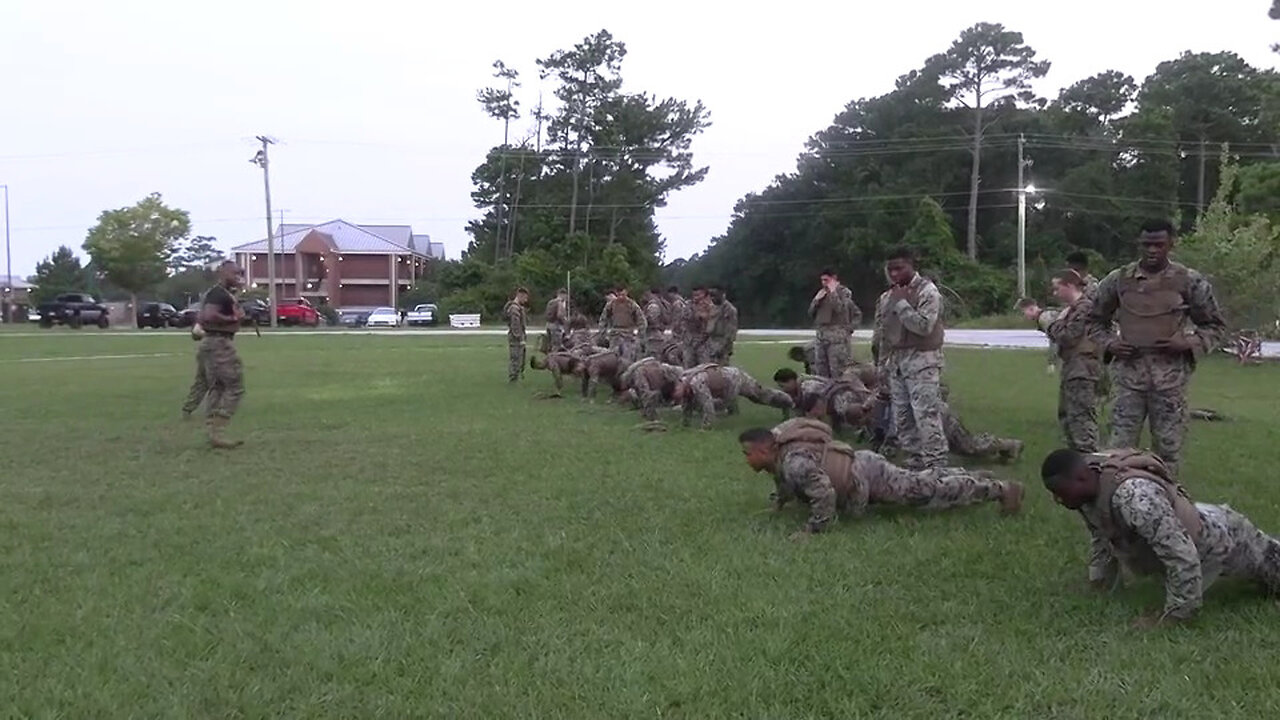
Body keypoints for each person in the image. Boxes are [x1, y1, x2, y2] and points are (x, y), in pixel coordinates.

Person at [1040, 448, 1280, 628]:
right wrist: (1100, 583)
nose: (1057, 500)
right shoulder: (1089, 487)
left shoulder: (1134, 499)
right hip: (1190, 524)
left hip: (1222, 538)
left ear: (1081, 478)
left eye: (1060, 492)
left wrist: (1174, 616)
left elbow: (1182, 554)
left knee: (1272, 569)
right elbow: (1103, 536)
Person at [1087, 219, 1227, 479]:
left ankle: (1167, 501)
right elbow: (1094, 320)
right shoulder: (1119, 280)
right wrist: (1111, 344)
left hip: (1170, 382)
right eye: (1147, 244)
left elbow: (1214, 325)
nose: (1152, 250)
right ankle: (1117, 499)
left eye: (1159, 245)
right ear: (1139, 244)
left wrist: (1187, 343)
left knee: (1168, 452)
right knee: (1117, 450)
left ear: (1171, 244)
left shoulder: (1189, 281)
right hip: (1128, 380)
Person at [739, 419, 1024, 541]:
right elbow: (784, 482)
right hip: (862, 465)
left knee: (924, 490)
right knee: (920, 481)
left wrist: (813, 531)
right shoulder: (781, 456)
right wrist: (778, 504)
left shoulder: (794, 463)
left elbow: (823, 493)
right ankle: (970, 477)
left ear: (765, 450)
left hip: (867, 475)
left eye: (747, 454)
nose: (746, 460)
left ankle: (1000, 489)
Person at [872, 247, 947, 470]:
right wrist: (881, 365)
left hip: (922, 362)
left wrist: (902, 304)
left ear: (911, 265)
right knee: (903, 418)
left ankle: (937, 465)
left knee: (926, 415)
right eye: (890, 269)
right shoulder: (887, 296)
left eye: (899, 268)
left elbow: (924, 326)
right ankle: (915, 462)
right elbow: (883, 333)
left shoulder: (927, 291)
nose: (894, 274)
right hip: (896, 363)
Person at [1021, 269, 1102, 452]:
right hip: (1072, 367)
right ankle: (1077, 462)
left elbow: (1068, 336)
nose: (1055, 293)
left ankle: (1091, 464)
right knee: (1068, 418)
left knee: (1081, 420)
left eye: (1057, 288)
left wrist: (1051, 323)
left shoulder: (1084, 308)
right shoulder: (1071, 310)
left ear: (1069, 286)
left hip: (1083, 370)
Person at [195, 261, 248, 448]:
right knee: (235, 385)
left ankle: (214, 433)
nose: (238, 277)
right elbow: (209, 316)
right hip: (219, 343)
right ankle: (218, 429)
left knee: (217, 387)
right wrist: (234, 318)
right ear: (223, 273)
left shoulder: (224, 294)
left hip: (214, 343)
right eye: (234, 274)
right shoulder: (217, 293)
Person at [678, 364, 794, 429]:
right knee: (758, 397)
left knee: (759, 395)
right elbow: (686, 402)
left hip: (735, 378)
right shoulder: (683, 381)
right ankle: (786, 404)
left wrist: (706, 428)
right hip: (725, 383)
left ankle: (788, 401)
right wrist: (685, 423)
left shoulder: (696, 383)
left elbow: (708, 405)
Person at [807, 269, 861, 378]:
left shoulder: (844, 292)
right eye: (822, 280)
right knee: (821, 369)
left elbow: (840, 309)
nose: (824, 283)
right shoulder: (821, 293)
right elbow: (811, 313)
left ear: (834, 278)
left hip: (837, 336)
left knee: (837, 369)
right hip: (821, 334)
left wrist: (833, 293)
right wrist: (816, 300)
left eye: (826, 280)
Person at [619, 357, 686, 425]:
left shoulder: (637, 374)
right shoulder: (636, 375)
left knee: (647, 393)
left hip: (655, 369)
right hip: (656, 367)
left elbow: (646, 394)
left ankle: (652, 416)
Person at [600, 286, 646, 364]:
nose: (621, 297)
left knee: (627, 358)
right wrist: (603, 333)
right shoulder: (611, 305)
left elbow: (641, 320)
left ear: (626, 293)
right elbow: (603, 319)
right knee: (613, 358)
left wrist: (640, 335)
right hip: (615, 334)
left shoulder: (632, 305)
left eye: (623, 295)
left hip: (628, 334)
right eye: (619, 295)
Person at [503, 287, 530, 383]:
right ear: (520, 296)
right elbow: (515, 325)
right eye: (525, 298)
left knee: (519, 357)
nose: (526, 300)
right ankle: (513, 378)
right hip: (515, 337)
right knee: (515, 357)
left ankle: (516, 376)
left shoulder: (518, 307)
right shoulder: (514, 308)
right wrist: (520, 337)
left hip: (517, 336)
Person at [707, 286, 738, 363]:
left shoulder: (729, 310)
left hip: (722, 343)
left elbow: (731, 331)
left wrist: (723, 347)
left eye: (715, 296)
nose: (712, 298)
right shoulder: (711, 308)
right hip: (711, 342)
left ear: (722, 294)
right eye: (711, 296)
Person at [642, 288, 668, 358]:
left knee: (653, 356)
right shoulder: (654, 304)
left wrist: (643, 319)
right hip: (652, 334)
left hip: (653, 335)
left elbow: (652, 319)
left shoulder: (653, 306)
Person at [543, 288, 569, 353]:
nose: (566, 297)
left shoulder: (550, 302)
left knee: (549, 345)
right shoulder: (559, 302)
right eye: (565, 295)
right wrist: (565, 321)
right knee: (556, 346)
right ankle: (554, 360)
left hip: (548, 325)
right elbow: (559, 315)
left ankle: (549, 359)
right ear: (562, 294)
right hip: (556, 326)